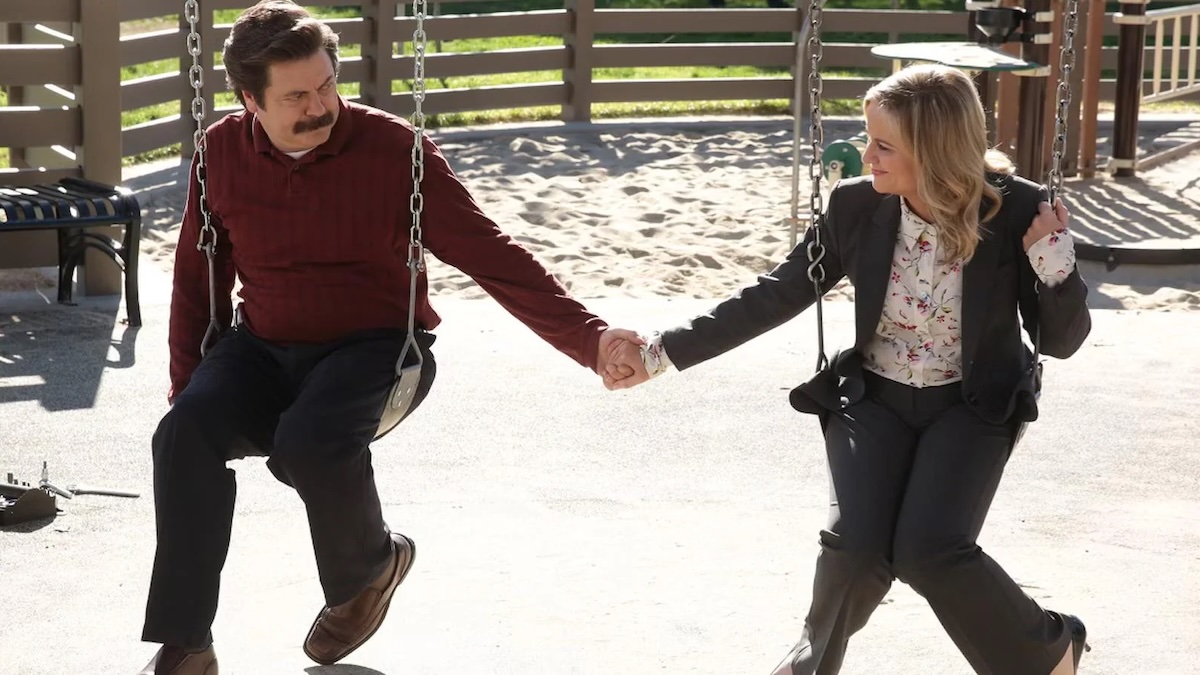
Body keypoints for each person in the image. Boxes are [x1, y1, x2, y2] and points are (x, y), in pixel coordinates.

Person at [138, 2, 641, 673]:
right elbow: (198, 283)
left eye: (326, 85)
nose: (320, 106)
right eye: (296, 96)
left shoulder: (394, 151)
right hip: (261, 349)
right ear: (248, 99)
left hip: (377, 351)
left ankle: (369, 571)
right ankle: (187, 643)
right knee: (183, 433)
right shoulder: (221, 154)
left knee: (309, 442)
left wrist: (590, 337)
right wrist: (188, 386)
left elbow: (491, 253)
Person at [604, 64, 1092, 675]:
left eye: (884, 145)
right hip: (874, 399)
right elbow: (775, 294)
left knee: (930, 550)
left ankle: (1049, 652)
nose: (867, 155)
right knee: (856, 549)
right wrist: (658, 354)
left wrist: (1055, 266)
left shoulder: (1017, 209)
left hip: (975, 406)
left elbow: (1064, 341)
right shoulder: (856, 206)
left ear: (935, 151)